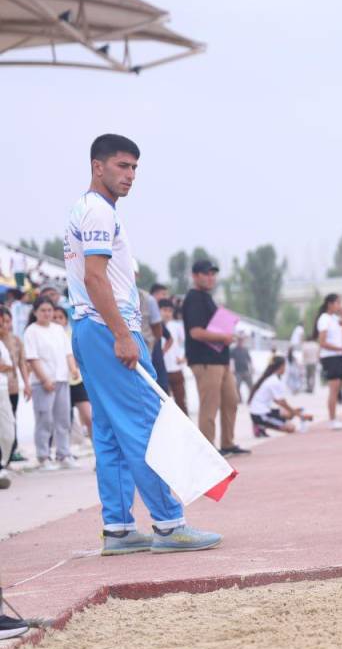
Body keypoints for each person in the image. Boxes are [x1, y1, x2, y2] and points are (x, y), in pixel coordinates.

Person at [66, 134, 220, 554]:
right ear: (98, 166)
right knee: (147, 425)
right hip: (107, 326)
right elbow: (95, 277)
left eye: (134, 167)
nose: (130, 175)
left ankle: (118, 528)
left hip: (89, 327)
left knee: (110, 431)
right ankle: (169, 524)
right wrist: (122, 334)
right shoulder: (98, 211)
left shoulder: (86, 208)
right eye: (122, 166)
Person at [182, 260, 249, 457]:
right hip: (205, 361)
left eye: (213, 274)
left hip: (220, 359)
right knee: (209, 405)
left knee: (231, 400)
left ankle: (228, 443)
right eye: (206, 274)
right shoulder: (194, 299)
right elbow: (196, 332)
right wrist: (223, 337)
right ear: (195, 276)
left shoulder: (207, 298)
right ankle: (208, 450)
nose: (210, 277)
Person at [24, 297, 78, 469]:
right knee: (44, 420)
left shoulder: (58, 329)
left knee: (63, 420)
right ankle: (43, 457)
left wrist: (73, 369)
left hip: (62, 379)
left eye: (49, 310)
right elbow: (32, 358)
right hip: (42, 383)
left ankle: (64, 454)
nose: (47, 314)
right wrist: (44, 379)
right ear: (35, 312)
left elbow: (68, 353)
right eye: (43, 310)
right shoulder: (31, 331)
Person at [313, 293, 342, 430]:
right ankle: (332, 420)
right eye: (338, 303)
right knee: (334, 389)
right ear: (330, 304)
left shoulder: (333, 318)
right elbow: (322, 342)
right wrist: (341, 349)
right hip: (329, 357)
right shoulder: (324, 319)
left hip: (338, 357)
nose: (340, 305)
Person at [54, 306, 93, 443]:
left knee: (88, 416)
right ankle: (65, 451)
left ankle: (97, 448)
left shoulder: (72, 334)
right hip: (58, 382)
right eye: (54, 318)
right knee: (64, 421)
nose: (57, 320)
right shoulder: (47, 335)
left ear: (66, 320)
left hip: (76, 381)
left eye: (60, 317)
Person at [248, 356, 313, 435]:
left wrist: (295, 413)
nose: (285, 369)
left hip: (264, 411)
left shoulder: (270, 378)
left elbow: (277, 401)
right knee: (291, 428)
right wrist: (300, 416)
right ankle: (259, 425)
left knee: (288, 412)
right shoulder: (274, 381)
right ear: (281, 366)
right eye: (285, 366)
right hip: (259, 414)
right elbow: (282, 403)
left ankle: (261, 424)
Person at [0, 305, 32, 465]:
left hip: (12, 387)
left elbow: (22, 364)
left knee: (11, 419)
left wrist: (26, 384)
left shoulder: (16, 340)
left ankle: (11, 451)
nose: (6, 325)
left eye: (8, 321)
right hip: (2, 386)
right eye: (3, 322)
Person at [159, 298, 188, 413]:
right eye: (165, 310)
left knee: (181, 402)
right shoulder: (154, 326)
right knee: (164, 404)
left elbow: (186, 342)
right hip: (161, 369)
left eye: (170, 311)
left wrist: (184, 358)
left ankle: (185, 424)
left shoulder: (176, 326)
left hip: (176, 369)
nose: (167, 313)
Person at [0, 332, 15, 489]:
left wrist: (6, 366)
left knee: (8, 433)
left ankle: (2, 463)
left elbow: (9, 366)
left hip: (3, 390)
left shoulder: (2, 344)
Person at [231, 335, 254, 402]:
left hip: (246, 370)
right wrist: (232, 368)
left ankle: (251, 399)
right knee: (237, 386)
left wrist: (252, 368)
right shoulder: (233, 350)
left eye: (241, 341)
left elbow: (249, 360)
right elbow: (231, 360)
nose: (240, 342)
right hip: (238, 371)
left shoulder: (245, 350)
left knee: (251, 386)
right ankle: (239, 399)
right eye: (239, 340)